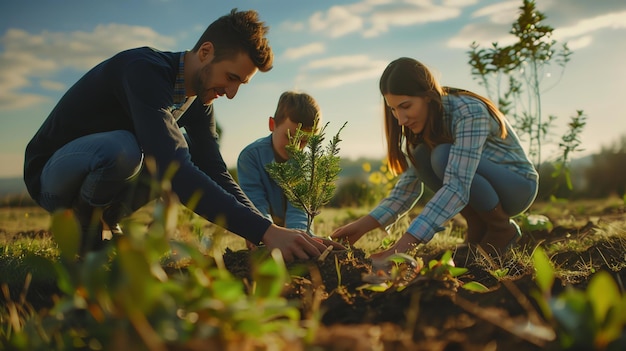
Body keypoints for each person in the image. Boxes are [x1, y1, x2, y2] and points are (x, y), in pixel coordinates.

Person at [23, 9, 339, 261]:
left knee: (172, 151)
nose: (230, 93)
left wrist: (263, 230)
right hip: (52, 177)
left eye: (239, 84)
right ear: (205, 51)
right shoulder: (143, 69)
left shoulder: (198, 102)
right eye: (230, 78)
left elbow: (215, 172)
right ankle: (88, 236)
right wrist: (265, 231)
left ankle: (108, 223)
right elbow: (173, 169)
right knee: (128, 148)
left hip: (100, 177)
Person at [331, 57, 538, 259]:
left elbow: (457, 184)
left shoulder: (468, 111)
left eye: (406, 106)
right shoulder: (422, 127)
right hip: (485, 186)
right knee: (422, 154)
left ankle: (500, 228)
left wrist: (403, 246)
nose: (401, 119)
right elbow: (407, 189)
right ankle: (477, 228)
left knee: (441, 156)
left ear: (428, 96)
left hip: (517, 186)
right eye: (393, 109)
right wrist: (362, 226)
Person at [237, 91, 320, 234]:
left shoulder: (305, 163)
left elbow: (299, 209)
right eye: (290, 137)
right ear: (272, 124)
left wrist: (298, 235)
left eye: (304, 141)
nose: (295, 146)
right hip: (264, 230)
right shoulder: (250, 157)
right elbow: (255, 203)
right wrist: (264, 233)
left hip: (293, 227)